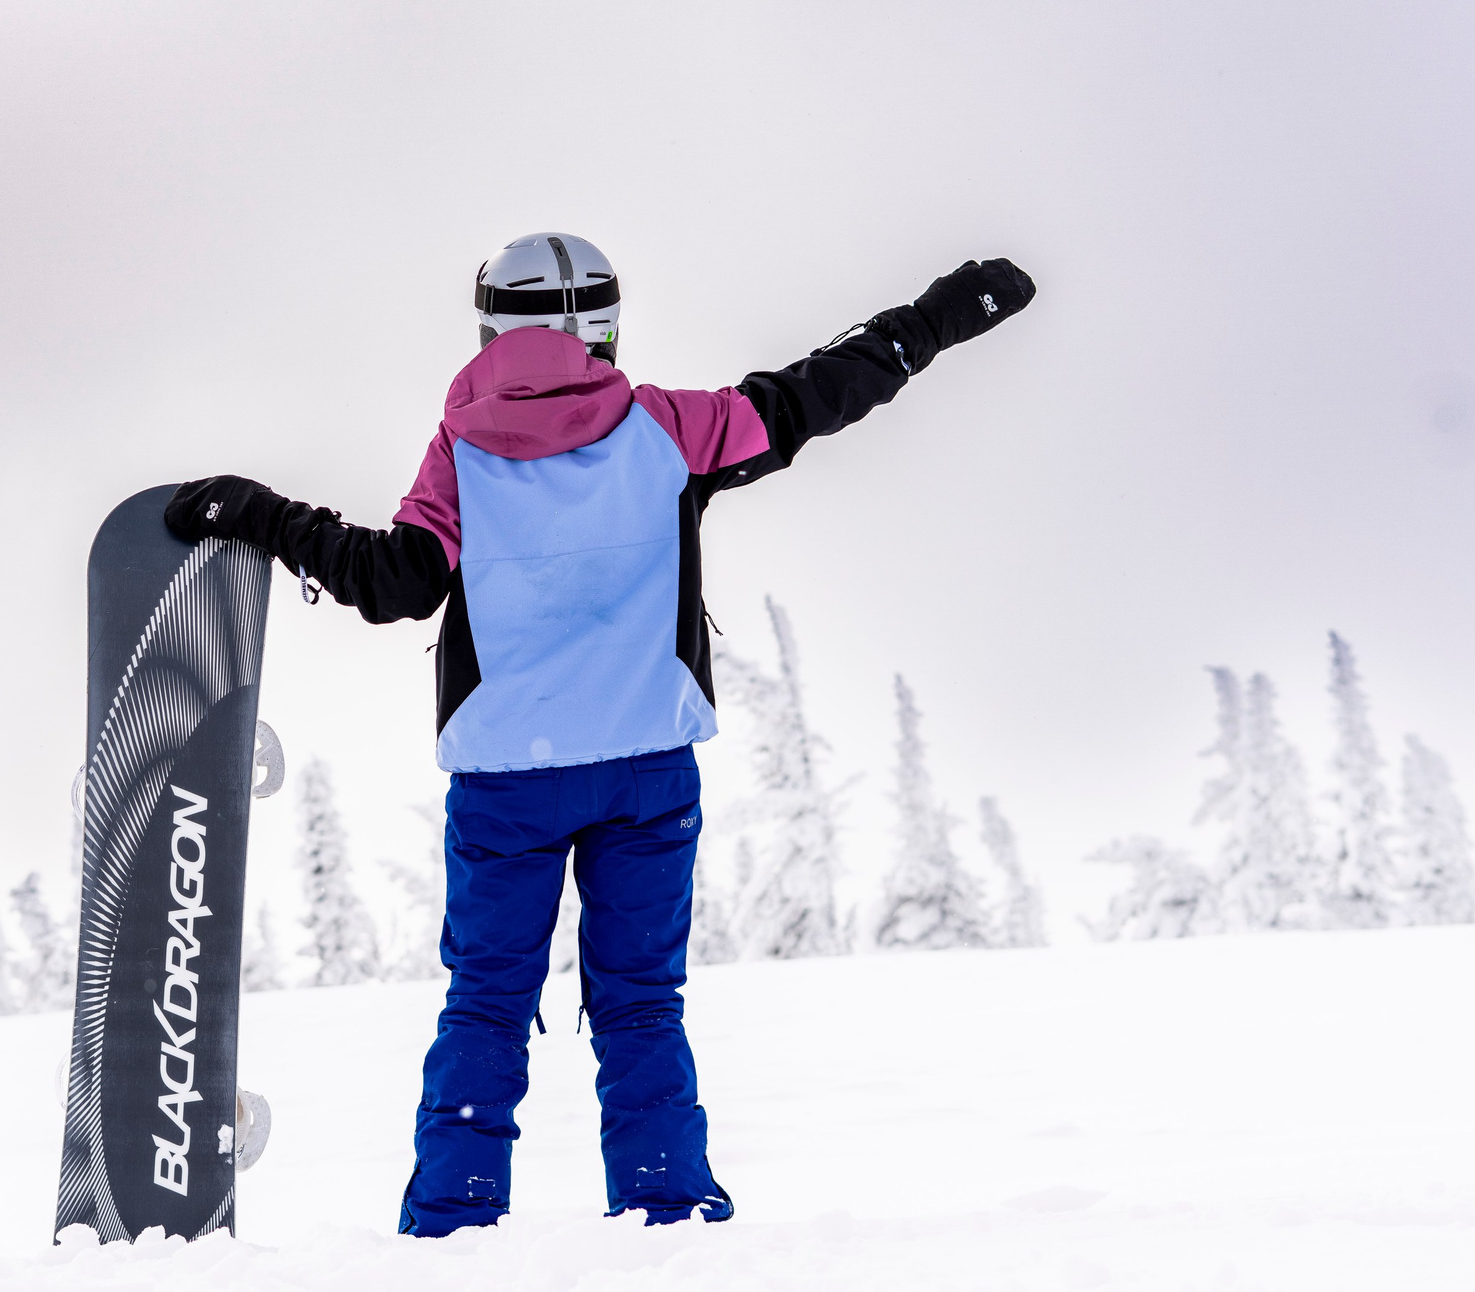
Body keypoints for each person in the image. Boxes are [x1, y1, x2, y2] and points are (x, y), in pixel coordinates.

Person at [164, 232, 1036, 1236]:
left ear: (493, 327)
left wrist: (264, 514)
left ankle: (450, 1224)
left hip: (508, 779)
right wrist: (938, 316)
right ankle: (668, 1211)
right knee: (639, 1004)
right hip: (644, 770)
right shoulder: (668, 429)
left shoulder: (462, 450)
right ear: (605, 326)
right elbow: (814, 394)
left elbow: (394, 582)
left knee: (486, 1003)